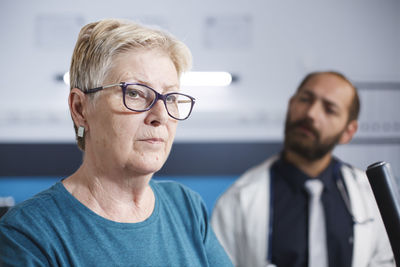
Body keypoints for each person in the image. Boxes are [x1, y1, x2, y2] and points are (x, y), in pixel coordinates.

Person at [0, 18, 232, 267]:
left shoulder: (186, 207)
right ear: (80, 109)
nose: (161, 116)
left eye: (171, 97)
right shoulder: (27, 235)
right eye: (134, 93)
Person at [211, 71, 395, 267]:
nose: (311, 114)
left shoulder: (372, 197)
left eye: (329, 109)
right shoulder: (239, 198)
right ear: (291, 104)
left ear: (348, 132)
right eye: (305, 100)